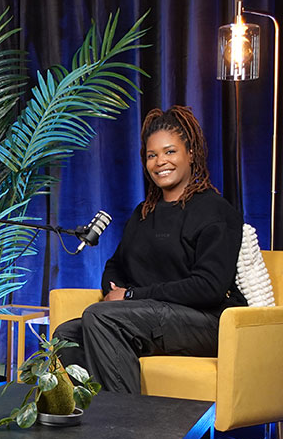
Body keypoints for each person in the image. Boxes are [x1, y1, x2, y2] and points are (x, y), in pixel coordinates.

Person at [55, 106, 246, 393]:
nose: (160, 162)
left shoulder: (215, 211)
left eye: (170, 152)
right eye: (151, 155)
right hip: (154, 316)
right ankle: (102, 419)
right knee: (66, 334)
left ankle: (127, 430)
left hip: (207, 321)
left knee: (100, 317)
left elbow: (209, 287)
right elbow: (115, 264)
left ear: (191, 153)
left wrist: (131, 296)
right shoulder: (143, 213)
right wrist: (116, 290)